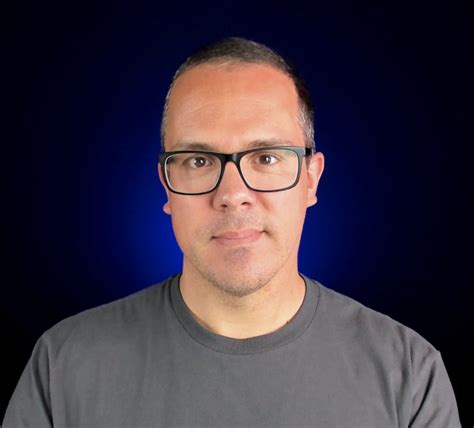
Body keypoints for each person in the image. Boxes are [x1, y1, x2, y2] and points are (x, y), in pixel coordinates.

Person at [3, 37, 461, 428]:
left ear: (311, 180)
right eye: (199, 161)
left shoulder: (409, 375)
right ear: (166, 185)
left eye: (266, 158)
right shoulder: (63, 366)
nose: (233, 194)